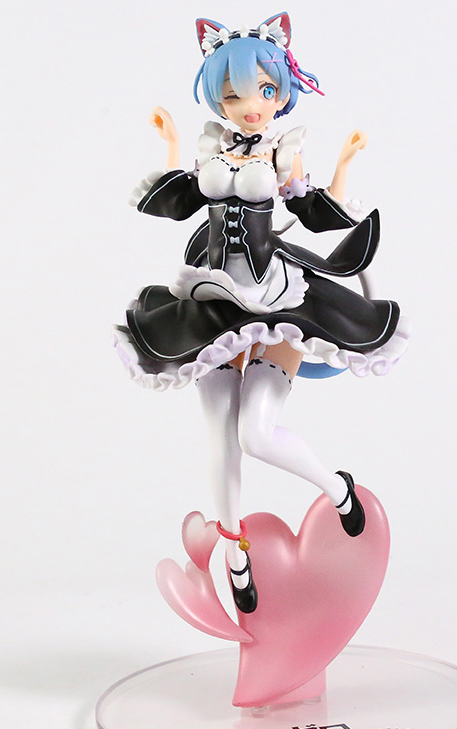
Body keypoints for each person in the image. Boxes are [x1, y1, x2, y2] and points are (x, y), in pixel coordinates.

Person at [114, 13, 408, 613]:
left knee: (255, 434)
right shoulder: (212, 148)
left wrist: (344, 167)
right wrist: (169, 146)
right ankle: (235, 550)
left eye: (265, 90)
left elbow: (313, 210)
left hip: (275, 298)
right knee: (219, 435)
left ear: (282, 92)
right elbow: (179, 200)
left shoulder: (283, 150)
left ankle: (335, 488)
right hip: (211, 298)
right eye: (233, 94)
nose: (251, 105)